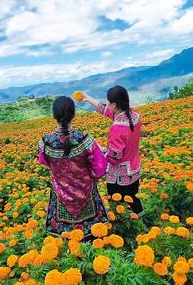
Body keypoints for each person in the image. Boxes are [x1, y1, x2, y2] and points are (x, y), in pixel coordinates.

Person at [37, 96, 109, 238]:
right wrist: (93, 176)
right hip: (86, 190)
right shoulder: (84, 139)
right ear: (73, 115)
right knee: (93, 232)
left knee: (65, 236)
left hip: (60, 191)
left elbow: (44, 162)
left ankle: (67, 242)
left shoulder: (45, 142)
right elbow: (100, 167)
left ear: (54, 116)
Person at [78, 86, 143, 215]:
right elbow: (105, 110)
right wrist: (87, 98)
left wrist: (99, 150)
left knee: (118, 205)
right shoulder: (134, 115)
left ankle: (125, 229)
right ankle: (143, 220)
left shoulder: (117, 128)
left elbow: (114, 157)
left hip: (120, 175)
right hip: (134, 169)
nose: (106, 104)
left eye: (108, 102)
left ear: (114, 104)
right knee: (133, 198)